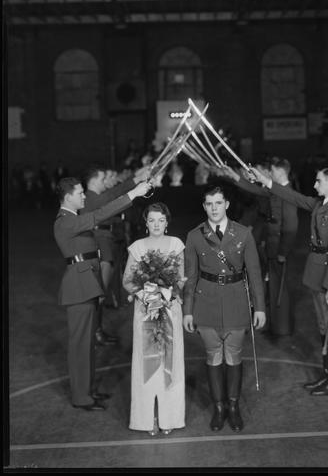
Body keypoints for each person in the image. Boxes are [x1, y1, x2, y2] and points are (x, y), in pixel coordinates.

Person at [250, 166, 328, 396]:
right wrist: (266, 181)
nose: (314, 185)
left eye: (318, 181)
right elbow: (294, 197)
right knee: (324, 325)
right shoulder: (321, 204)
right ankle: (327, 374)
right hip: (317, 273)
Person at [53, 177, 151, 411]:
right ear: (68, 197)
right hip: (79, 288)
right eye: (79, 193)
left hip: (86, 284)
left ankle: (87, 391)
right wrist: (133, 194)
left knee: (87, 345)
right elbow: (98, 215)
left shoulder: (72, 219)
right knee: (80, 346)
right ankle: (81, 397)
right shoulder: (64, 222)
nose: (84, 196)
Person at [183, 184, 266, 432]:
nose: (214, 208)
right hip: (205, 303)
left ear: (227, 205)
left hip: (236, 302)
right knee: (213, 357)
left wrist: (259, 307)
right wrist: (188, 310)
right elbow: (190, 276)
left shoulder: (243, 234)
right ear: (204, 206)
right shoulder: (194, 236)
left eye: (218, 203)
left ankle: (234, 406)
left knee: (233, 356)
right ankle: (219, 408)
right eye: (209, 204)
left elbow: (254, 272)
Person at [122, 203, 186, 435]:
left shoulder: (176, 244)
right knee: (147, 364)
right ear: (146, 222)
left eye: (161, 220)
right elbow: (128, 280)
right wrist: (146, 295)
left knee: (170, 362)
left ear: (167, 222)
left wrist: (165, 294)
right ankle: (147, 418)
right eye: (152, 220)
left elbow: (180, 278)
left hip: (169, 308)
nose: (156, 224)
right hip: (145, 311)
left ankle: (170, 418)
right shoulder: (137, 247)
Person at [221, 158, 299, 336]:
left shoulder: (287, 193)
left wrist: (283, 252)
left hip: (279, 248)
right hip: (272, 245)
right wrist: (235, 176)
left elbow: (291, 227)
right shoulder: (277, 190)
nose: (270, 175)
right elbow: (255, 189)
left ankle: (282, 326)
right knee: (273, 286)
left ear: (279, 172)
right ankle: (277, 325)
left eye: (272, 171)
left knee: (280, 289)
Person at [81, 165, 148, 346]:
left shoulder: (94, 198)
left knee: (100, 292)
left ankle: (96, 331)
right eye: (102, 180)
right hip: (100, 244)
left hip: (106, 241)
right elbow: (112, 197)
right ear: (93, 181)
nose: (105, 183)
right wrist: (134, 182)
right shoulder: (89, 198)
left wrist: (137, 178)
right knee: (98, 293)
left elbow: (114, 200)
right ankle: (94, 332)